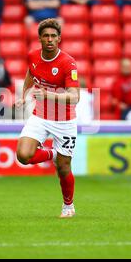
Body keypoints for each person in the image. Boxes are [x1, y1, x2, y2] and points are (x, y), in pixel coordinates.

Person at [15, 18, 80, 218]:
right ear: (40, 39)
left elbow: (75, 97)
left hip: (65, 120)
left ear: (59, 39)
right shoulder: (33, 56)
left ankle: (68, 206)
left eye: (53, 36)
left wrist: (48, 96)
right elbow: (30, 73)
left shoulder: (68, 63)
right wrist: (24, 95)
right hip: (41, 115)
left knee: (63, 168)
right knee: (23, 156)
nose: (50, 39)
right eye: (46, 36)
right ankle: (52, 153)